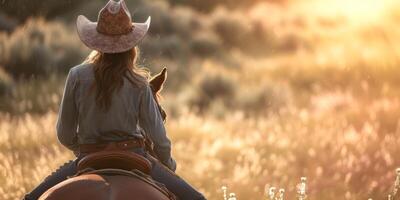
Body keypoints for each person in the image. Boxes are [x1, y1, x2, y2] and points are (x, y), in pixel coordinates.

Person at [23, 0, 205, 200]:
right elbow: (159, 139)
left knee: (30, 199)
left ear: (96, 41)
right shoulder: (140, 83)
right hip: (135, 154)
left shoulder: (76, 75)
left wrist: (87, 149)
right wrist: (168, 165)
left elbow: (64, 134)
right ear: (131, 45)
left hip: (88, 155)